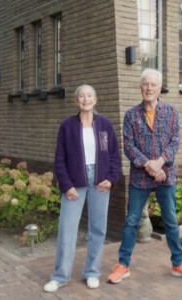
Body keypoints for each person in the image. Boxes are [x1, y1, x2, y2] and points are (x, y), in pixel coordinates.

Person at [106, 68, 182, 284]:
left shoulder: (171, 111)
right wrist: (148, 164)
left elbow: (175, 140)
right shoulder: (130, 115)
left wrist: (160, 162)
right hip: (140, 177)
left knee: (171, 221)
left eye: (153, 85)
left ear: (159, 88)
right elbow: (128, 145)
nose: (149, 88)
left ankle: (178, 263)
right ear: (140, 87)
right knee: (131, 221)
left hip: (165, 175)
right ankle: (123, 264)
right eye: (145, 84)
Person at [44, 85, 121, 292]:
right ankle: (60, 276)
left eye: (89, 96)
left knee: (98, 228)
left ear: (95, 100)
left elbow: (114, 156)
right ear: (76, 101)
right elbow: (59, 159)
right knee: (67, 230)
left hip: (100, 182)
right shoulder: (67, 126)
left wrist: (112, 179)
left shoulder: (105, 125)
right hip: (75, 182)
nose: (85, 99)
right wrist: (66, 185)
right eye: (81, 96)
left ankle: (92, 272)